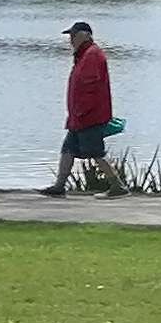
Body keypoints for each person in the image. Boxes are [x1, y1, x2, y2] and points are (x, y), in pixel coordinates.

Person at [48, 20, 116, 195]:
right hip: (78, 117)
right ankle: (59, 186)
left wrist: (81, 111)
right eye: (70, 36)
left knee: (96, 153)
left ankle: (118, 187)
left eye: (74, 35)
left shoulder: (92, 55)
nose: (71, 40)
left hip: (89, 116)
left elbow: (90, 86)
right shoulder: (83, 55)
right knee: (68, 150)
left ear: (85, 35)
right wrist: (74, 114)